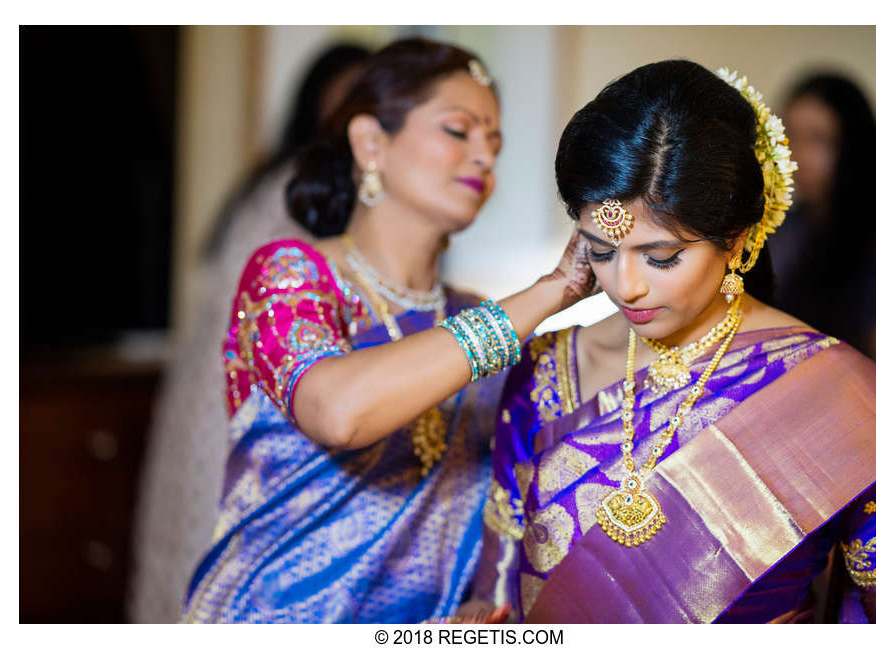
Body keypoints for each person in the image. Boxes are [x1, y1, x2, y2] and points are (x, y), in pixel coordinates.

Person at [466, 60, 876, 623]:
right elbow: (498, 597)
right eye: (600, 252)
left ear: (736, 240)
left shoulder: (838, 399)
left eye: (661, 257)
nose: (625, 286)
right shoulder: (547, 371)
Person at [180, 37, 597, 623]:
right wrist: (552, 291)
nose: (483, 156)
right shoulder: (293, 276)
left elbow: (526, 485)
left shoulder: (472, 315)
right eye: (458, 131)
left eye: (494, 143)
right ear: (370, 142)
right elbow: (338, 411)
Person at [129, 43, 370, 623]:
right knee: (208, 552)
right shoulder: (300, 190)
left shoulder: (294, 184)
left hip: (237, 388)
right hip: (232, 395)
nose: (357, 122)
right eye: (345, 101)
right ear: (315, 105)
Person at [774, 73, 876, 392]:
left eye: (818, 139)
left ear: (852, 145)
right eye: (789, 137)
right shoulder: (786, 227)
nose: (797, 154)